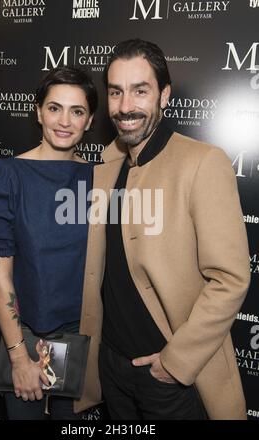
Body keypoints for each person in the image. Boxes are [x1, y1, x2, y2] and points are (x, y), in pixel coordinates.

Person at [75, 39, 250, 419]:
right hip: (112, 367)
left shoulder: (203, 163)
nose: (125, 107)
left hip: (170, 377)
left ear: (164, 95)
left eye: (141, 91)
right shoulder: (105, 166)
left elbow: (230, 279)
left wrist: (173, 364)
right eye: (116, 92)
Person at [0, 66, 98, 420]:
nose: (64, 120)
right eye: (54, 108)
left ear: (90, 120)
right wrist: (19, 358)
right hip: (25, 339)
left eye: (77, 111)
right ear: (38, 112)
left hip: (85, 341)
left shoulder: (100, 179)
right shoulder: (7, 176)